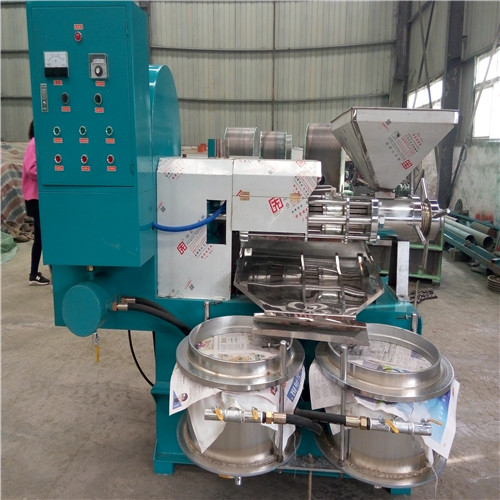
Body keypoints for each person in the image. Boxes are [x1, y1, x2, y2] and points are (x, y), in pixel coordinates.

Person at [22, 120, 50, 286]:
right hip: (35, 198)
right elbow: (31, 169)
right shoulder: (34, 143)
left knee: (40, 238)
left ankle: (34, 274)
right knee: (48, 236)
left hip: (38, 198)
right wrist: (50, 173)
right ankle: (55, 273)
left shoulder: (38, 144)